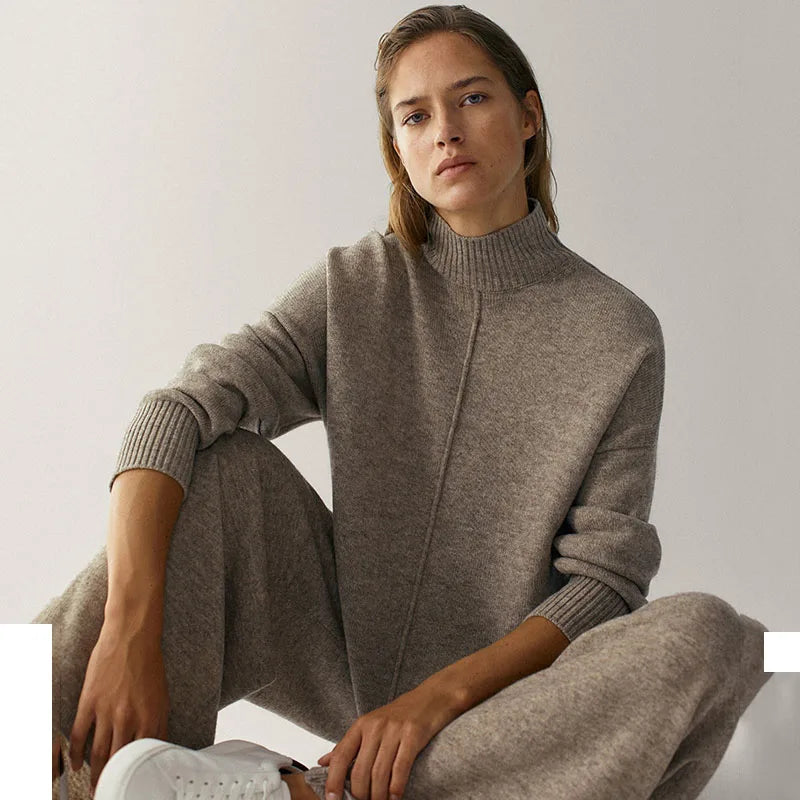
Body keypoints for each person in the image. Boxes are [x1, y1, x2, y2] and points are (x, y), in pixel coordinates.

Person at [38, 5, 773, 800]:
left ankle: (311, 791)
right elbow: (176, 411)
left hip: (505, 703)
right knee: (223, 471)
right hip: (343, 655)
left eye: (473, 98)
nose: (446, 131)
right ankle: (29, 740)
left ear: (529, 115)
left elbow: (603, 585)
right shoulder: (359, 284)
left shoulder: (617, 333)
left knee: (712, 634)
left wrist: (437, 701)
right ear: (399, 148)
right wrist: (127, 632)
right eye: (416, 116)